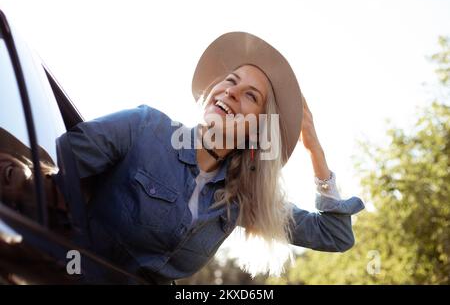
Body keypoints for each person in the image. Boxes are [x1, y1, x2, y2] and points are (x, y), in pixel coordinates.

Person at [60, 32, 365, 284]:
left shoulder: (241, 199)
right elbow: (50, 166)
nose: (231, 92)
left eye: (251, 96)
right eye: (231, 81)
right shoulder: (143, 127)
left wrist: (314, 149)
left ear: (258, 129)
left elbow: (336, 235)